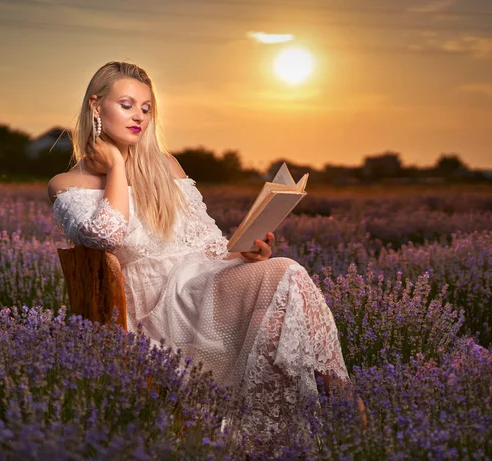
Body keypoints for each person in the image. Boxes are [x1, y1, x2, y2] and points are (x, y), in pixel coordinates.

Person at [48, 61, 366, 448]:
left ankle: (339, 407)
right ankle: (347, 421)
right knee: (287, 274)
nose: (139, 117)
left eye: (147, 109)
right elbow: (105, 236)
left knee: (285, 271)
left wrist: (244, 254)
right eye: (127, 105)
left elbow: (209, 245)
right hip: (156, 309)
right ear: (97, 106)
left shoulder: (165, 165)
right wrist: (116, 166)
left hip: (202, 285)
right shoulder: (67, 183)